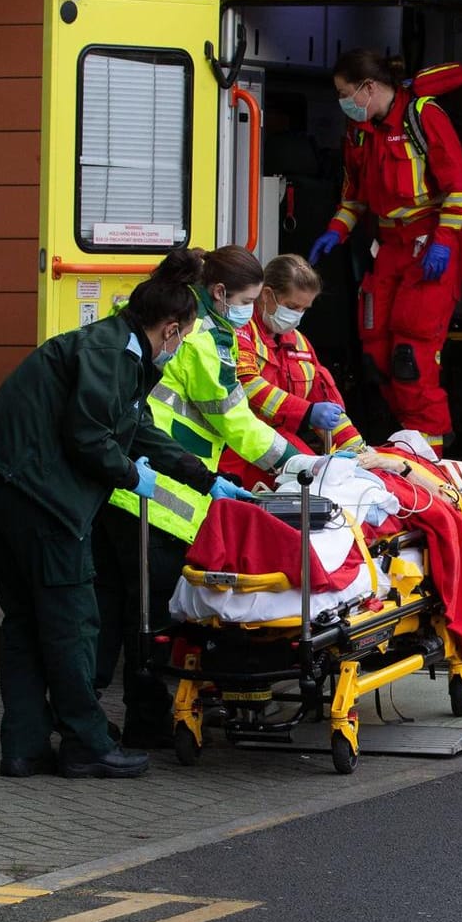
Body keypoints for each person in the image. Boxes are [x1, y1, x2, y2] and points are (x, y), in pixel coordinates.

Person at [0, 251, 232, 779]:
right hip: (34, 493)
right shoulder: (113, 354)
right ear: (171, 329)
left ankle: (25, 747)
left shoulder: (116, 347)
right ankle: (86, 742)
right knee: (72, 618)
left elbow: (138, 429)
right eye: (183, 337)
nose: (179, 347)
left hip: (4, 483)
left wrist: (203, 478)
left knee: (27, 619)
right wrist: (132, 476)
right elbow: (92, 440)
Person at [93, 245, 301, 748]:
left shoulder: (153, 314)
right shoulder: (204, 337)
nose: (251, 312)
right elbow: (236, 423)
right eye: (248, 300)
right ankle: (144, 724)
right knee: (153, 623)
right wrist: (298, 463)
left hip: (120, 487)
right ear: (219, 293)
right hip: (160, 497)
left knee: (107, 613)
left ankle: (86, 714)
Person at [307, 49, 462, 453]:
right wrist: (335, 231)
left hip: (429, 246)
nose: (343, 101)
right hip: (389, 248)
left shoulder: (423, 116)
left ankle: (428, 452)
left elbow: (458, 190)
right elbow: (355, 199)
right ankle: (408, 439)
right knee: (377, 351)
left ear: (368, 87)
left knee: (410, 354)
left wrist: (444, 242)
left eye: (346, 93)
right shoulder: (358, 130)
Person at [225, 254, 366, 489]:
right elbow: (248, 386)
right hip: (240, 447)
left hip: (280, 444)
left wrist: (358, 451)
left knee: (333, 479)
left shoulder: (299, 343)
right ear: (267, 295)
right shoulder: (240, 331)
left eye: (303, 309)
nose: (297, 315)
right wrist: (307, 412)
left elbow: (325, 400)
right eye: (291, 306)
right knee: (314, 483)